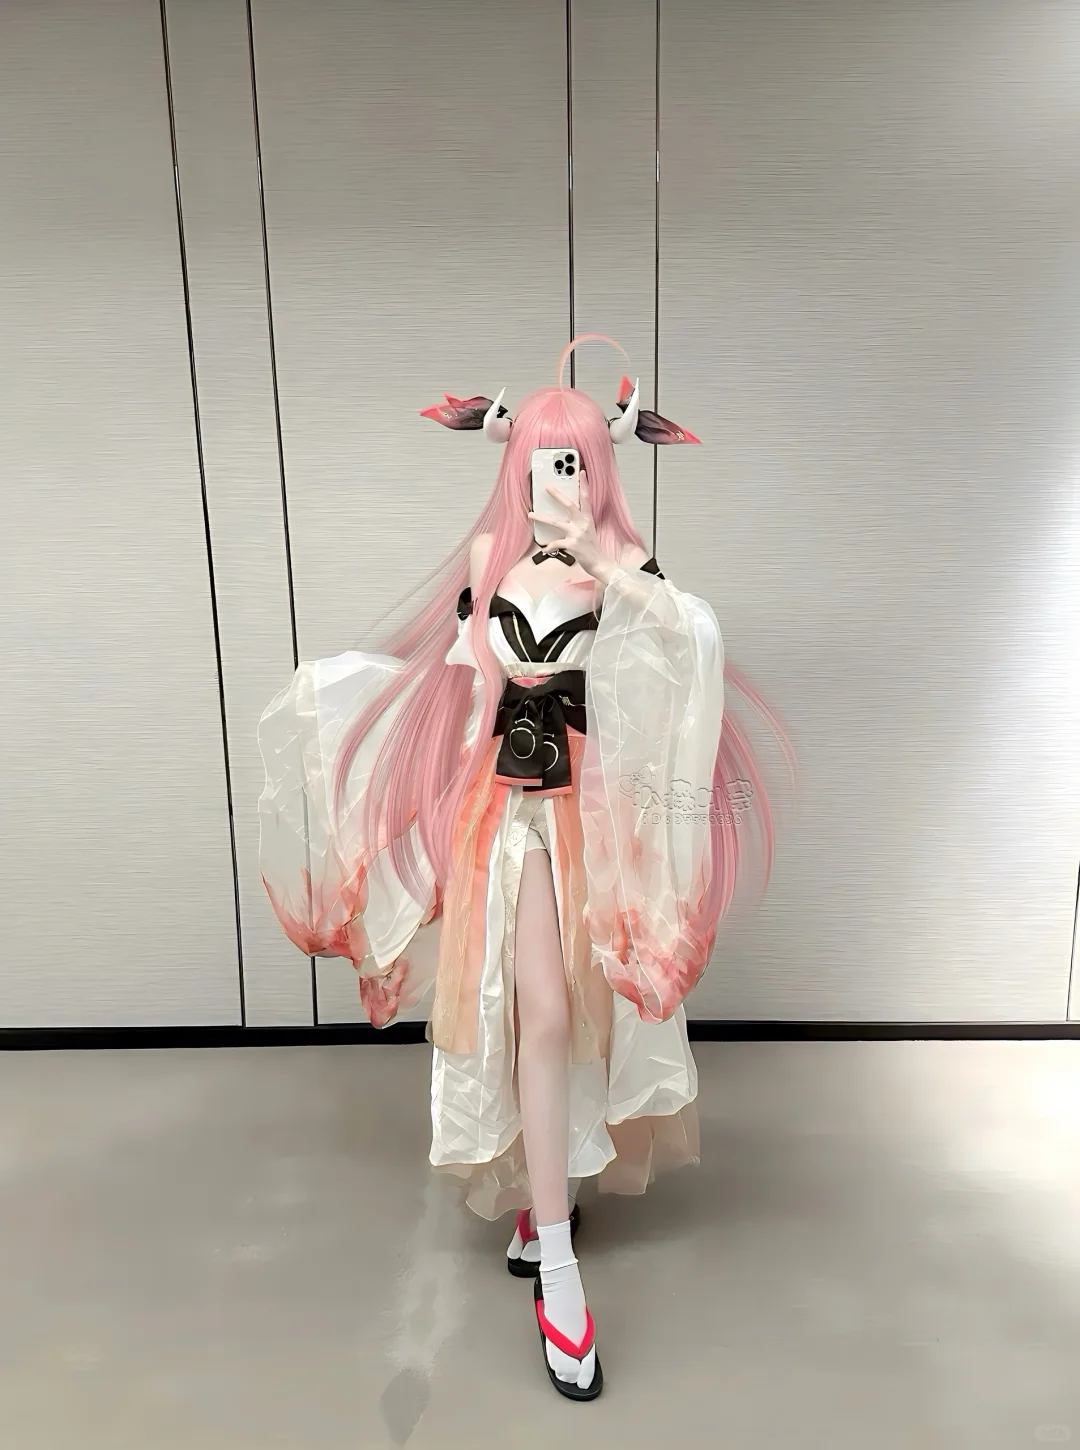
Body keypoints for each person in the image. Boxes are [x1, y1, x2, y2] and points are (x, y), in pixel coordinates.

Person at [258, 335, 788, 1400]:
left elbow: (689, 647)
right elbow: (475, 699)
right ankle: (551, 1238)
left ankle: (551, 1234)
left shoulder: (622, 565)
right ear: (514, 464)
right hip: (503, 816)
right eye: (545, 461)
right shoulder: (487, 564)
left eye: (577, 460)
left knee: (560, 1014)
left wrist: (609, 565)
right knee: (524, 1013)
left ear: (601, 466)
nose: (560, 480)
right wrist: (432, 812)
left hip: (584, 819)